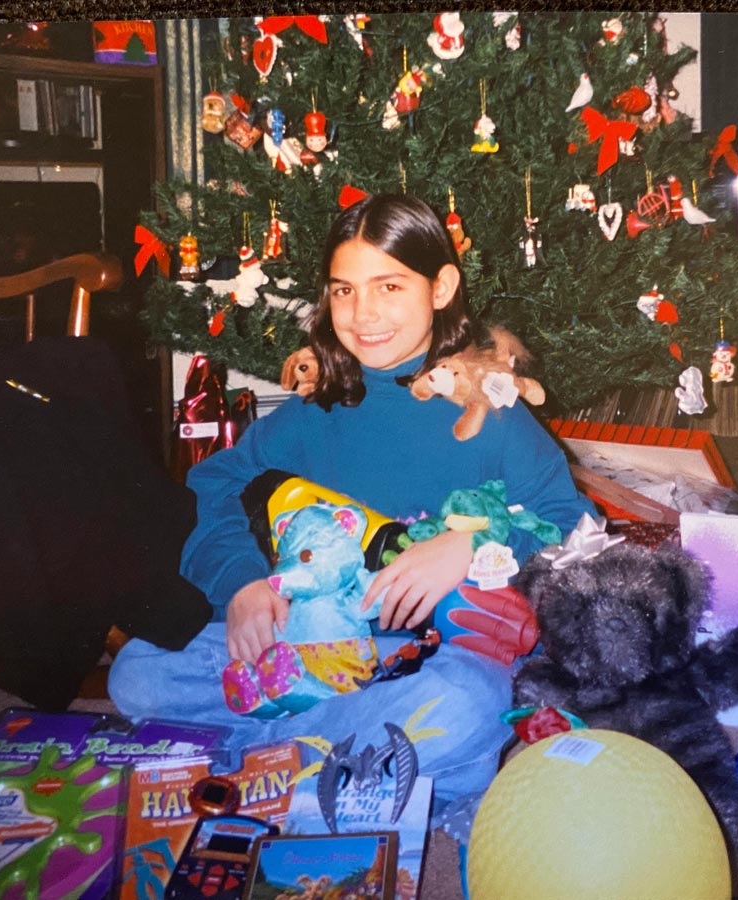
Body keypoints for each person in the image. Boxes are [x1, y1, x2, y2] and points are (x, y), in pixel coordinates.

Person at [108, 193, 596, 816]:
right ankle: (361, 759)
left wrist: (474, 546)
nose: (364, 314)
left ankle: (256, 759)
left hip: (425, 655)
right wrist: (242, 586)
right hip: (311, 643)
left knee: (471, 705)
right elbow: (215, 486)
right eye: (344, 291)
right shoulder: (317, 410)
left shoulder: (491, 411)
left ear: (441, 287)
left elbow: (572, 524)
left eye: (389, 286)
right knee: (138, 672)